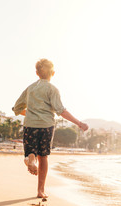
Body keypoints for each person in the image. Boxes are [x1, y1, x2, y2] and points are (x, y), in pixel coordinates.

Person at [12, 58, 88, 198]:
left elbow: (16, 108)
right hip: (46, 126)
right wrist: (79, 123)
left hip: (30, 125)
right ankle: (40, 190)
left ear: (37, 73)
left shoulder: (30, 89)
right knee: (44, 157)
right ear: (53, 73)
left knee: (31, 151)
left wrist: (31, 112)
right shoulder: (52, 89)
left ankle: (30, 159)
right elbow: (61, 111)